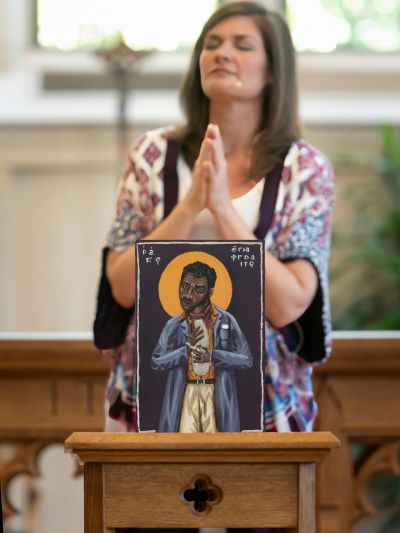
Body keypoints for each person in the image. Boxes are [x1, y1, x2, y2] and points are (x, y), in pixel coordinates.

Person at [94, 1, 334, 530]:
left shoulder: (303, 169)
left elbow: (289, 302)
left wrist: (224, 209)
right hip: (150, 404)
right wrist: (188, 206)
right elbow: (121, 286)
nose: (221, 52)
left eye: (242, 45)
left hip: (264, 404)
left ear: (273, 70)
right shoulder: (152, 156)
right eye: (211, 43)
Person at [151, 261, 253, 433]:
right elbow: (156, 361)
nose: (188, 294)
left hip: (216, 392)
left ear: (210, 292)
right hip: (185, 393)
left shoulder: (226, 320)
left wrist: (214, 356)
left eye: (198, 289)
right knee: (184, 449)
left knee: (216, 449)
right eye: (184, 286)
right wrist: (185, 351)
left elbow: (247, 359)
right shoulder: (174, 325)